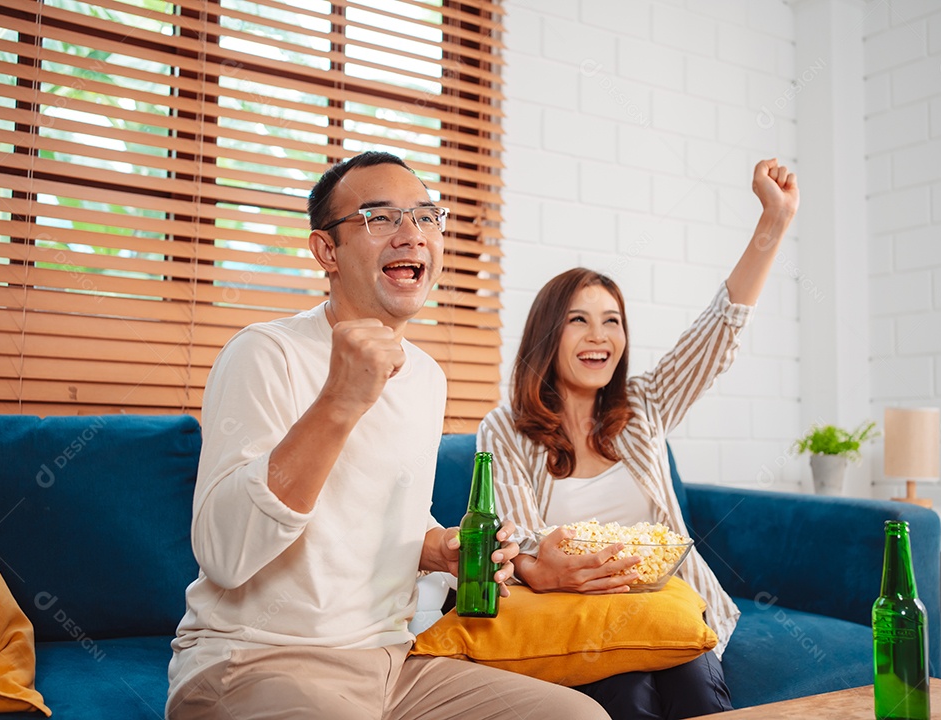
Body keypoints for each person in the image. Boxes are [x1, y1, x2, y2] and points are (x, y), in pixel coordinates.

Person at [166, 151, 610, 720]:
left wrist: (436, 548)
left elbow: (372, 509)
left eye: (426, 217)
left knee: (580, 718)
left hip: (392, 664)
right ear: (327, 250)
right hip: (258, 659)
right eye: (379, 218)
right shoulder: (263, 353)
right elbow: (226, 554)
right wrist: (338, 401)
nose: (412, 235)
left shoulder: (426, 375)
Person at [477, 159, 799, 719]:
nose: (599, 336)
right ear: (548, 335)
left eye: (613, 321)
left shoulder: (645, 406)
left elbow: (716, 333)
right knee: (629, 696)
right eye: (579, 320)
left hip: (670, 605)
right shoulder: (504, 428)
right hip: (577, 614)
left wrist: (772, 221)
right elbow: (516, 538)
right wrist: (541, 565)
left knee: (697, 692)